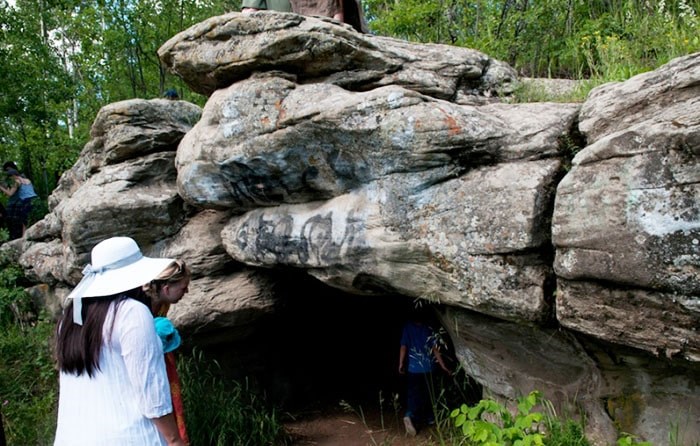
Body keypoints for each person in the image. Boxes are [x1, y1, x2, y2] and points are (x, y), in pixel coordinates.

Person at [54, 236, 187, 446]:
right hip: (130, 436)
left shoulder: (72, 318)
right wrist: (174, 440)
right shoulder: (131, 313)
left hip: (73, 437)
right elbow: (150, 389)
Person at [143, 259, 191, 445]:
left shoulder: (161, 304)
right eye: (183, 287)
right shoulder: (140, 308)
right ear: (166, 288)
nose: (186, 292)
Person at [398, 306, 451, 437]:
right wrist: (443, 365)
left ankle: (410, 416)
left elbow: (403, 346)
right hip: (428, 368)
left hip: (413, 369)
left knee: (413, 394)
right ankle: (430, 417)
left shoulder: (407, 327)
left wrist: (401, 363)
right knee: (428, 394)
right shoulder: (428, 328)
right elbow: (435, 349)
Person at [0, 162, 38, 240]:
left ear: (13, 176)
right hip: (35, 199)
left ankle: (24, 238)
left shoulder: (17, 182)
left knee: (24, 221)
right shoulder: (27, 180)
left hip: (26, 201)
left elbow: (10, 193)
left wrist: (1, 187)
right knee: (31, 219)